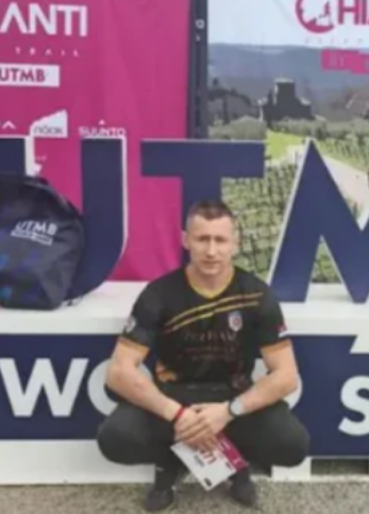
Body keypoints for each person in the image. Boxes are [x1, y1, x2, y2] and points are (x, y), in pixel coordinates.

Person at [97, 199, 310, 511]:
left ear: (235, 243)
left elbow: (286, 375)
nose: (211, 251)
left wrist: (228, 411)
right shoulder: (159, 293)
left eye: (220, 240)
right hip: (174, 399)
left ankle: (236, 462)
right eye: (202, 239)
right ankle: (169, 462)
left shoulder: (256, 294)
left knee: (292, 444)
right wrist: (179, 415)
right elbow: (119, 373)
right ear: (186, 240)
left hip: (232, 399)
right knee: (115, 438)